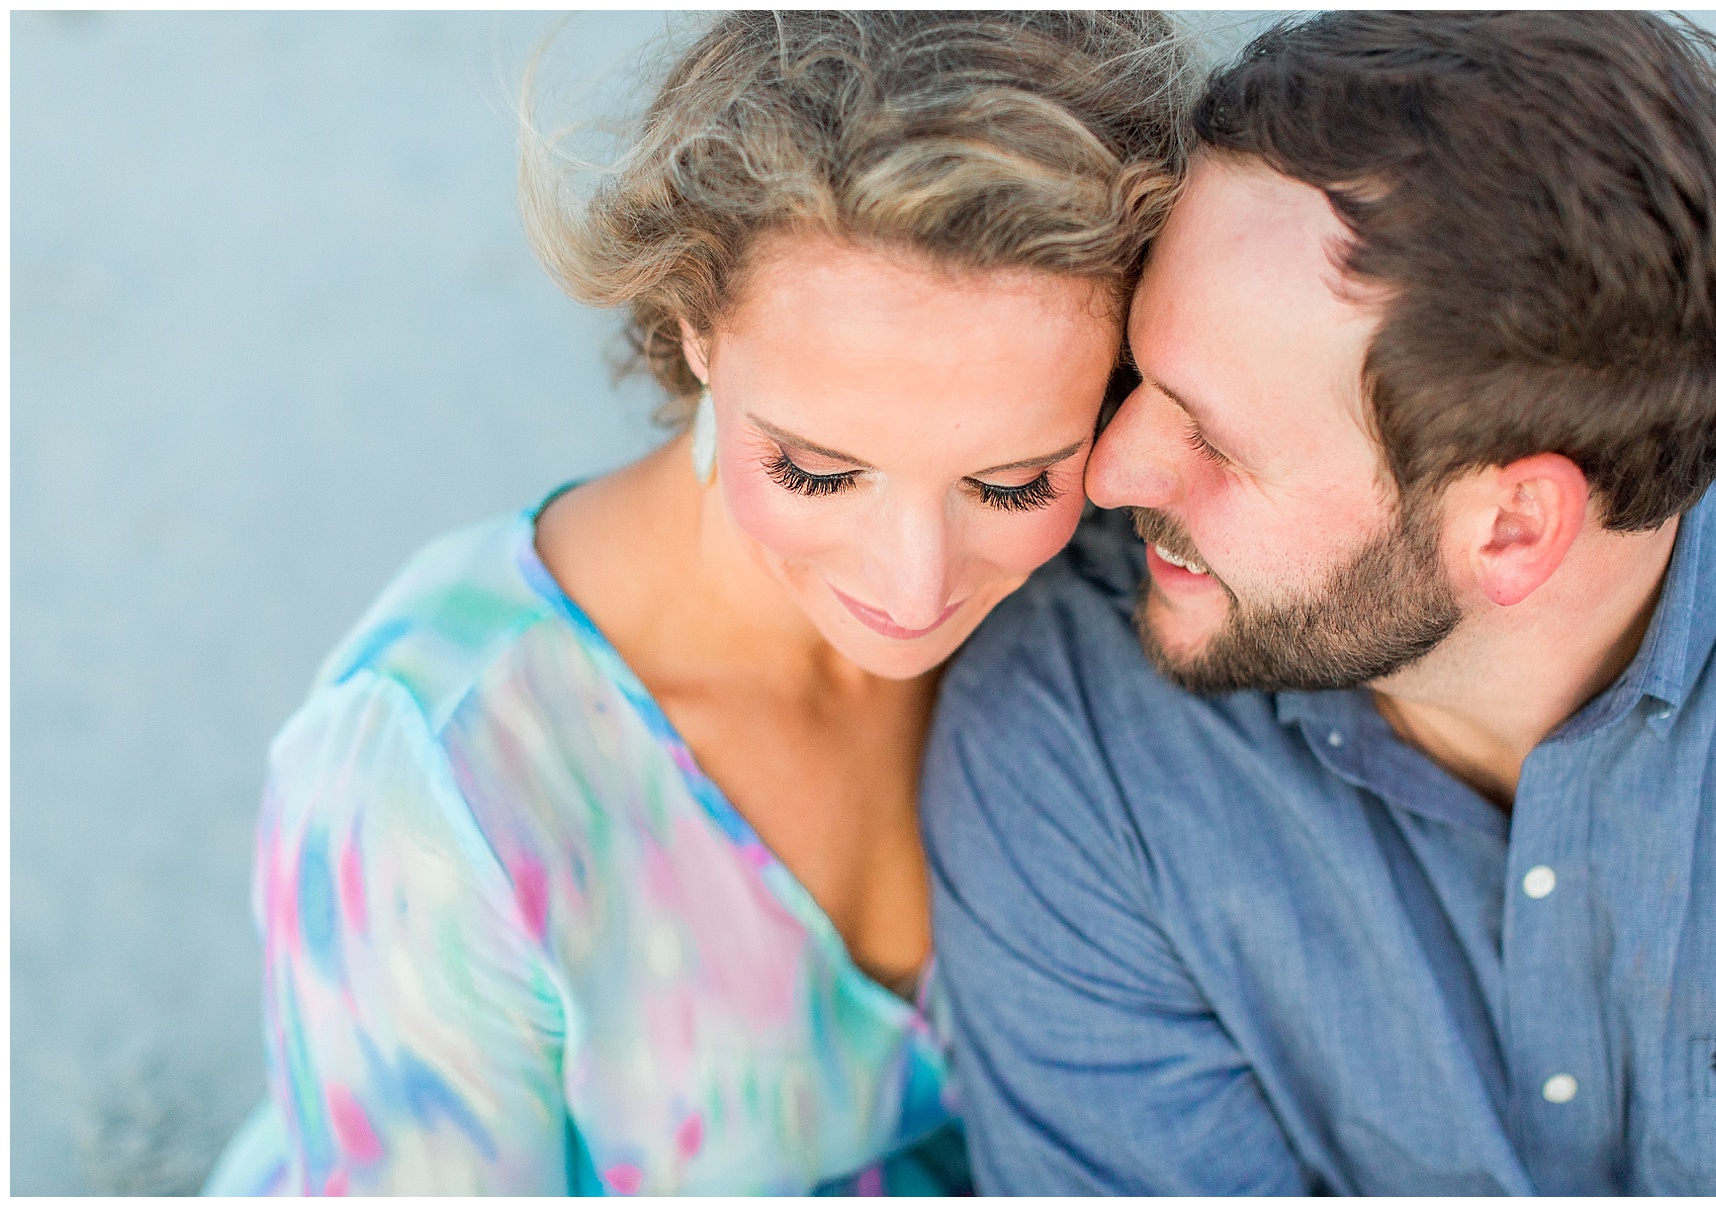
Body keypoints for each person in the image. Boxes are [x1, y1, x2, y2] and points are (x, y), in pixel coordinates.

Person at [202, 11, 1194, 1195]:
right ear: (694, 327)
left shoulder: (1127, 581)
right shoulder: (436, 783)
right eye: (820, 470)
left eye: (1013, 480)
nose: (913, 584)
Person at [923, 10, 1716, 1196]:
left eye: (1214, 440)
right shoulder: (1077, 732)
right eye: (1141, 377)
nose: (1111, 475)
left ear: (1511, 528)